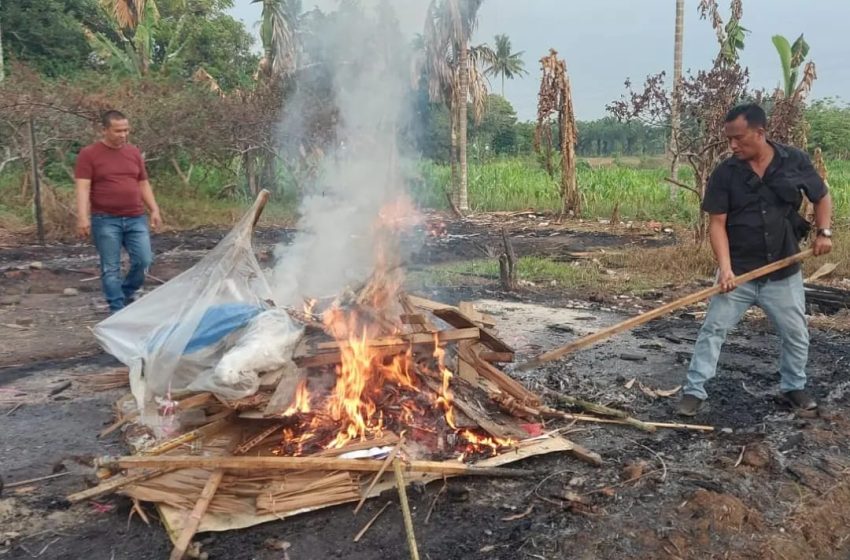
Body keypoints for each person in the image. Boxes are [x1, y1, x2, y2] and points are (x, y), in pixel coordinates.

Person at [677, 103, 833, 417]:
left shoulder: (794, 161)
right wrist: (725, 268)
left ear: (760, 133)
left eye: (739, 138)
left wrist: (824, 233)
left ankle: (793, 386)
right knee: (712, 330)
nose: (732, 145)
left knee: (795, 333)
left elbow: (821, 195)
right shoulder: (726, 173)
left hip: (783, 269)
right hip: (739, 272)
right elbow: (717, 224)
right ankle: (694, 391)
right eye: (729, 139)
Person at [75, 110, 162, 313]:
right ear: (104, 130)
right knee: (110, 267)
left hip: (135, 216)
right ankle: (116, 308)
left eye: (126, 130)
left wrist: (154, 209)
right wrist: (82, 217)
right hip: (105, 219)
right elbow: (82, 187)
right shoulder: (89, 154)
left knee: (144, 260)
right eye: (118, 131)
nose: (123, 134)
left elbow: (143, 183)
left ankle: (126, 292)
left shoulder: (133, 152)